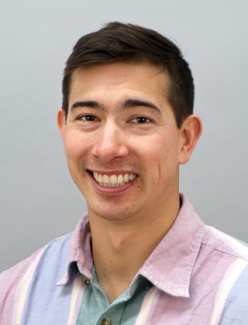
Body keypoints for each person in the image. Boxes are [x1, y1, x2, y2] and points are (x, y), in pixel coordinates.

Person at [1, 22, 248, 325]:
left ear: (186, 139)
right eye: (89, 117)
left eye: (140, 119)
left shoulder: (240, 294)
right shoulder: (12, 296)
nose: (107, 149)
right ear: (64, 129)